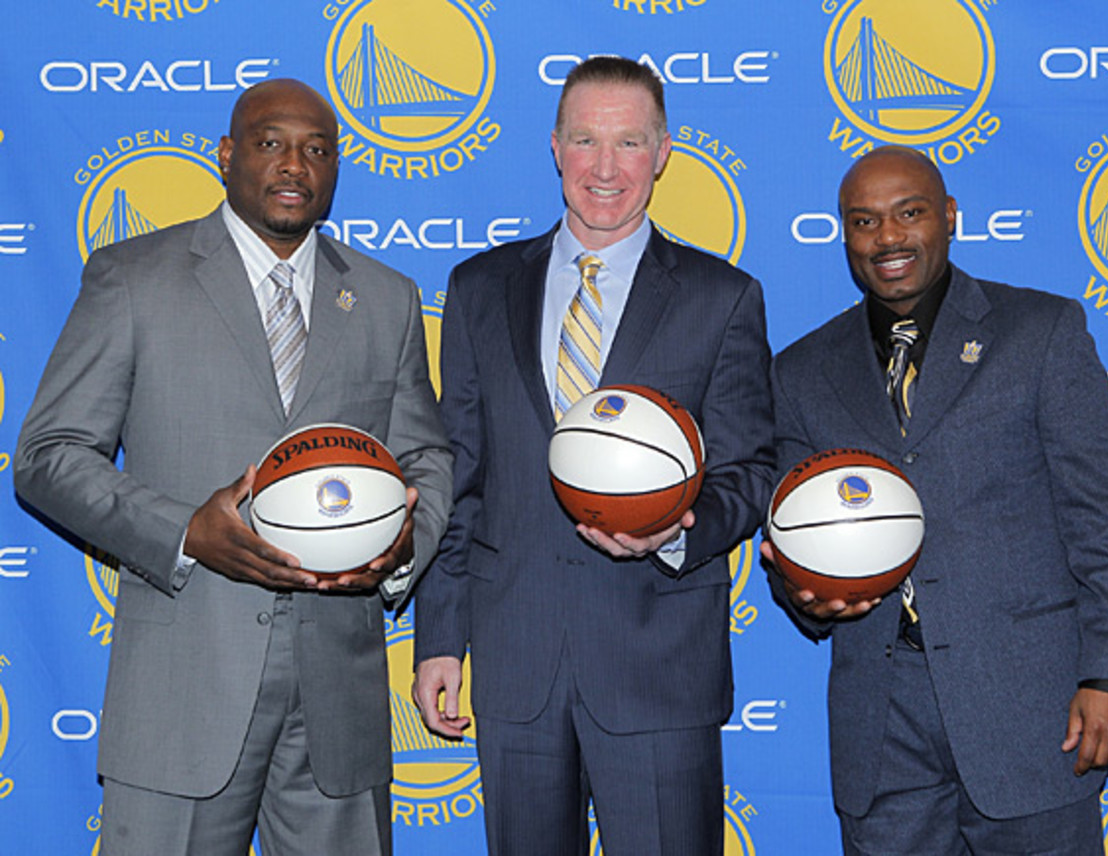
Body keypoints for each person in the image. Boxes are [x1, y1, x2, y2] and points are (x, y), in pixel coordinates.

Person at [15, 79, 453, 856]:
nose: (294, 165)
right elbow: (47, 457)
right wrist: (186, 531)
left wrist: (402, 546)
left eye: (317, 149)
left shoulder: (386, 298)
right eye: (270, 142)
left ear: (336, 168)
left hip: (339, 705)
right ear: (227, 155)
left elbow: (424, 455)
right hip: (181, 692)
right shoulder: (133, 277)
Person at [411, 57, 774, 856]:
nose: (605, 168)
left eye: (629, 143)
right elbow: (457, 475)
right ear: (554, 147)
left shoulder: (723, 298)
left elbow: (752, 471)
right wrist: (440, 639)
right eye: (585, 141)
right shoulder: (478, 289)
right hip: (516, 664)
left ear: (664, 152)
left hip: (658, 665)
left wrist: (674, 529)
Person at [764, 145, 1108, 854]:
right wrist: (805, 591)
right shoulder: (800, 372)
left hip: (1033, 711)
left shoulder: (1041, 332)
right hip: (882, 725)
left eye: (908, 214)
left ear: (948, 218)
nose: (887, 238)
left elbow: (1107, 521)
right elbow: (795, 537)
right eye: (864, 221)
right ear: (844, 236)